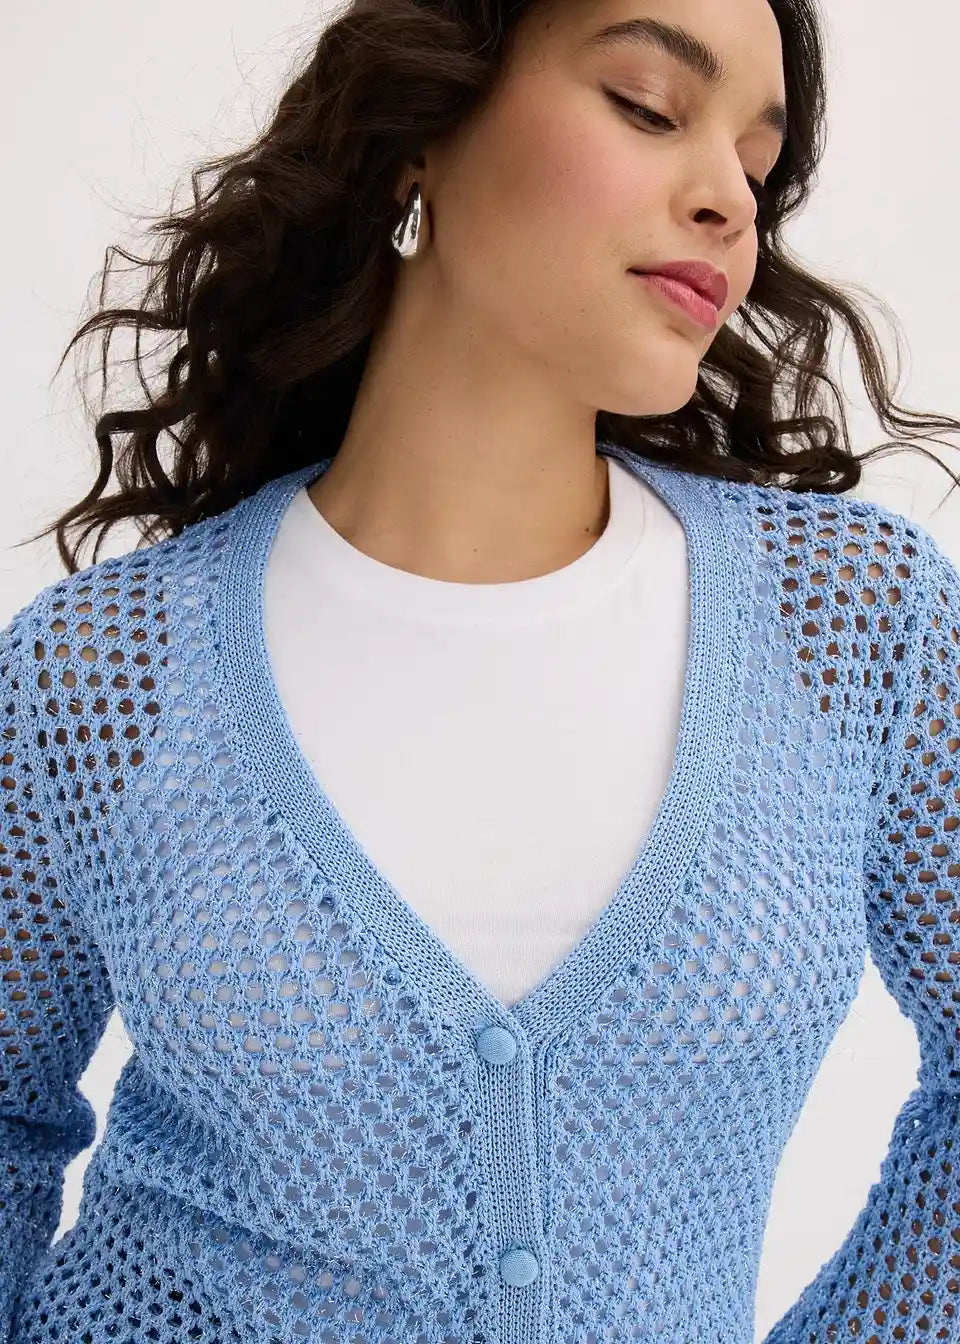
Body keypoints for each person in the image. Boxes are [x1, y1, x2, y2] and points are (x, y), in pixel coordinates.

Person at [2, 0, 958, 1340]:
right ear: (420, 134)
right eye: (648, 106)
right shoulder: (101, 676)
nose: (729, 204)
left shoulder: (848, 624)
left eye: (756, 165)